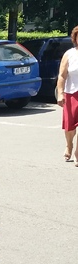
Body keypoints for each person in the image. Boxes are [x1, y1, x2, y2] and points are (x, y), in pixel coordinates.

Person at [57, 25, 78, 167]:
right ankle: (69, 145)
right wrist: (60, 93)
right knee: (70, 127)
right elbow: (62, 76)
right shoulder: (69, 54)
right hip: (72, 93)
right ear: (75, 38)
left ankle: (77, 152)